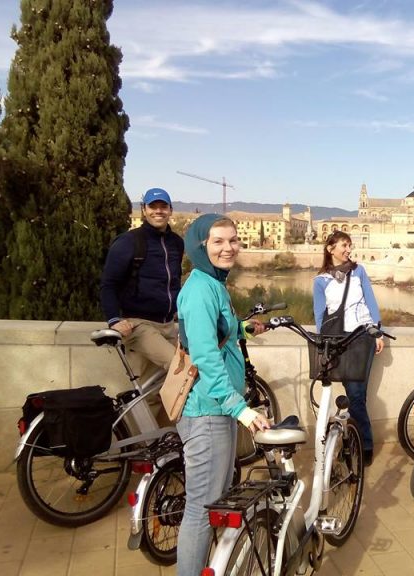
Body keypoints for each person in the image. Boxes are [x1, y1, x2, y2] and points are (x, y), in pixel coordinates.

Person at [175, 214, 270, 576]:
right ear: (200, 246)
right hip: (208, 412)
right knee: (200, 509)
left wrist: (244, 328)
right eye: (218, 241)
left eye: (233, 240)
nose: (228, 248)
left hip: (217, 411)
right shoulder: (199, 289)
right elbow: (204, 357)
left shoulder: (214, 283)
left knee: (211, 500)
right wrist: (241, 410)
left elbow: (220, 330)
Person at [313, 230, 383, 467]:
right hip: (339, 340)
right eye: (343, 245)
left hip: (363, 335)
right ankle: (355, 439)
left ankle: (363, 444)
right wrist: (324, 343)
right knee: (354, 393)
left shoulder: (359, 271)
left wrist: (377, 330)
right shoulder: (320, 281)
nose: (348, 249)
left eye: (349, 245)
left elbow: (370, 300)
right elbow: (320, 315)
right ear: (330, 248)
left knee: (356, 393)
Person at [99, 187, 184, 376]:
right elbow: (109, 284)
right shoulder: (128, 241)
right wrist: (114, 319)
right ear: (144, 210)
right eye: (153, 206)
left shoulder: (176, 243)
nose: (158, 211)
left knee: (155, 392)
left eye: (163, 206)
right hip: (139, 325)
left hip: (168, 326)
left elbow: (174, 281)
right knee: (180, 368)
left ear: (170, 210)